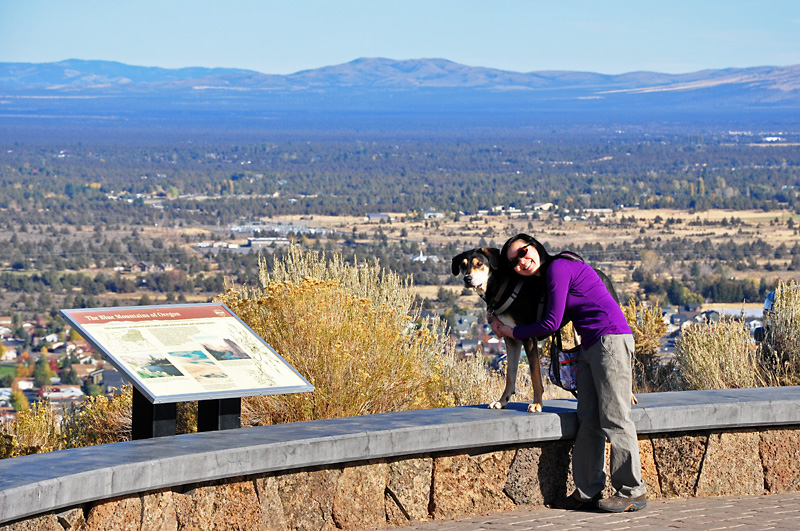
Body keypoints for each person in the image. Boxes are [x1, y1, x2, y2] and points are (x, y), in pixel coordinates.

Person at [490, 233, 647, 513]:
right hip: (591, 344)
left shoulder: (558, 268)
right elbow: (555, 316)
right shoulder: (548, 278)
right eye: (514, 262)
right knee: (588, 418)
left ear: (536, 247)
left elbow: (551, 323)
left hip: (610, 340)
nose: (521, 262)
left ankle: (632, 491)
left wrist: (511, 332)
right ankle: (588, 491)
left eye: (523, 252)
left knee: (615, 417)